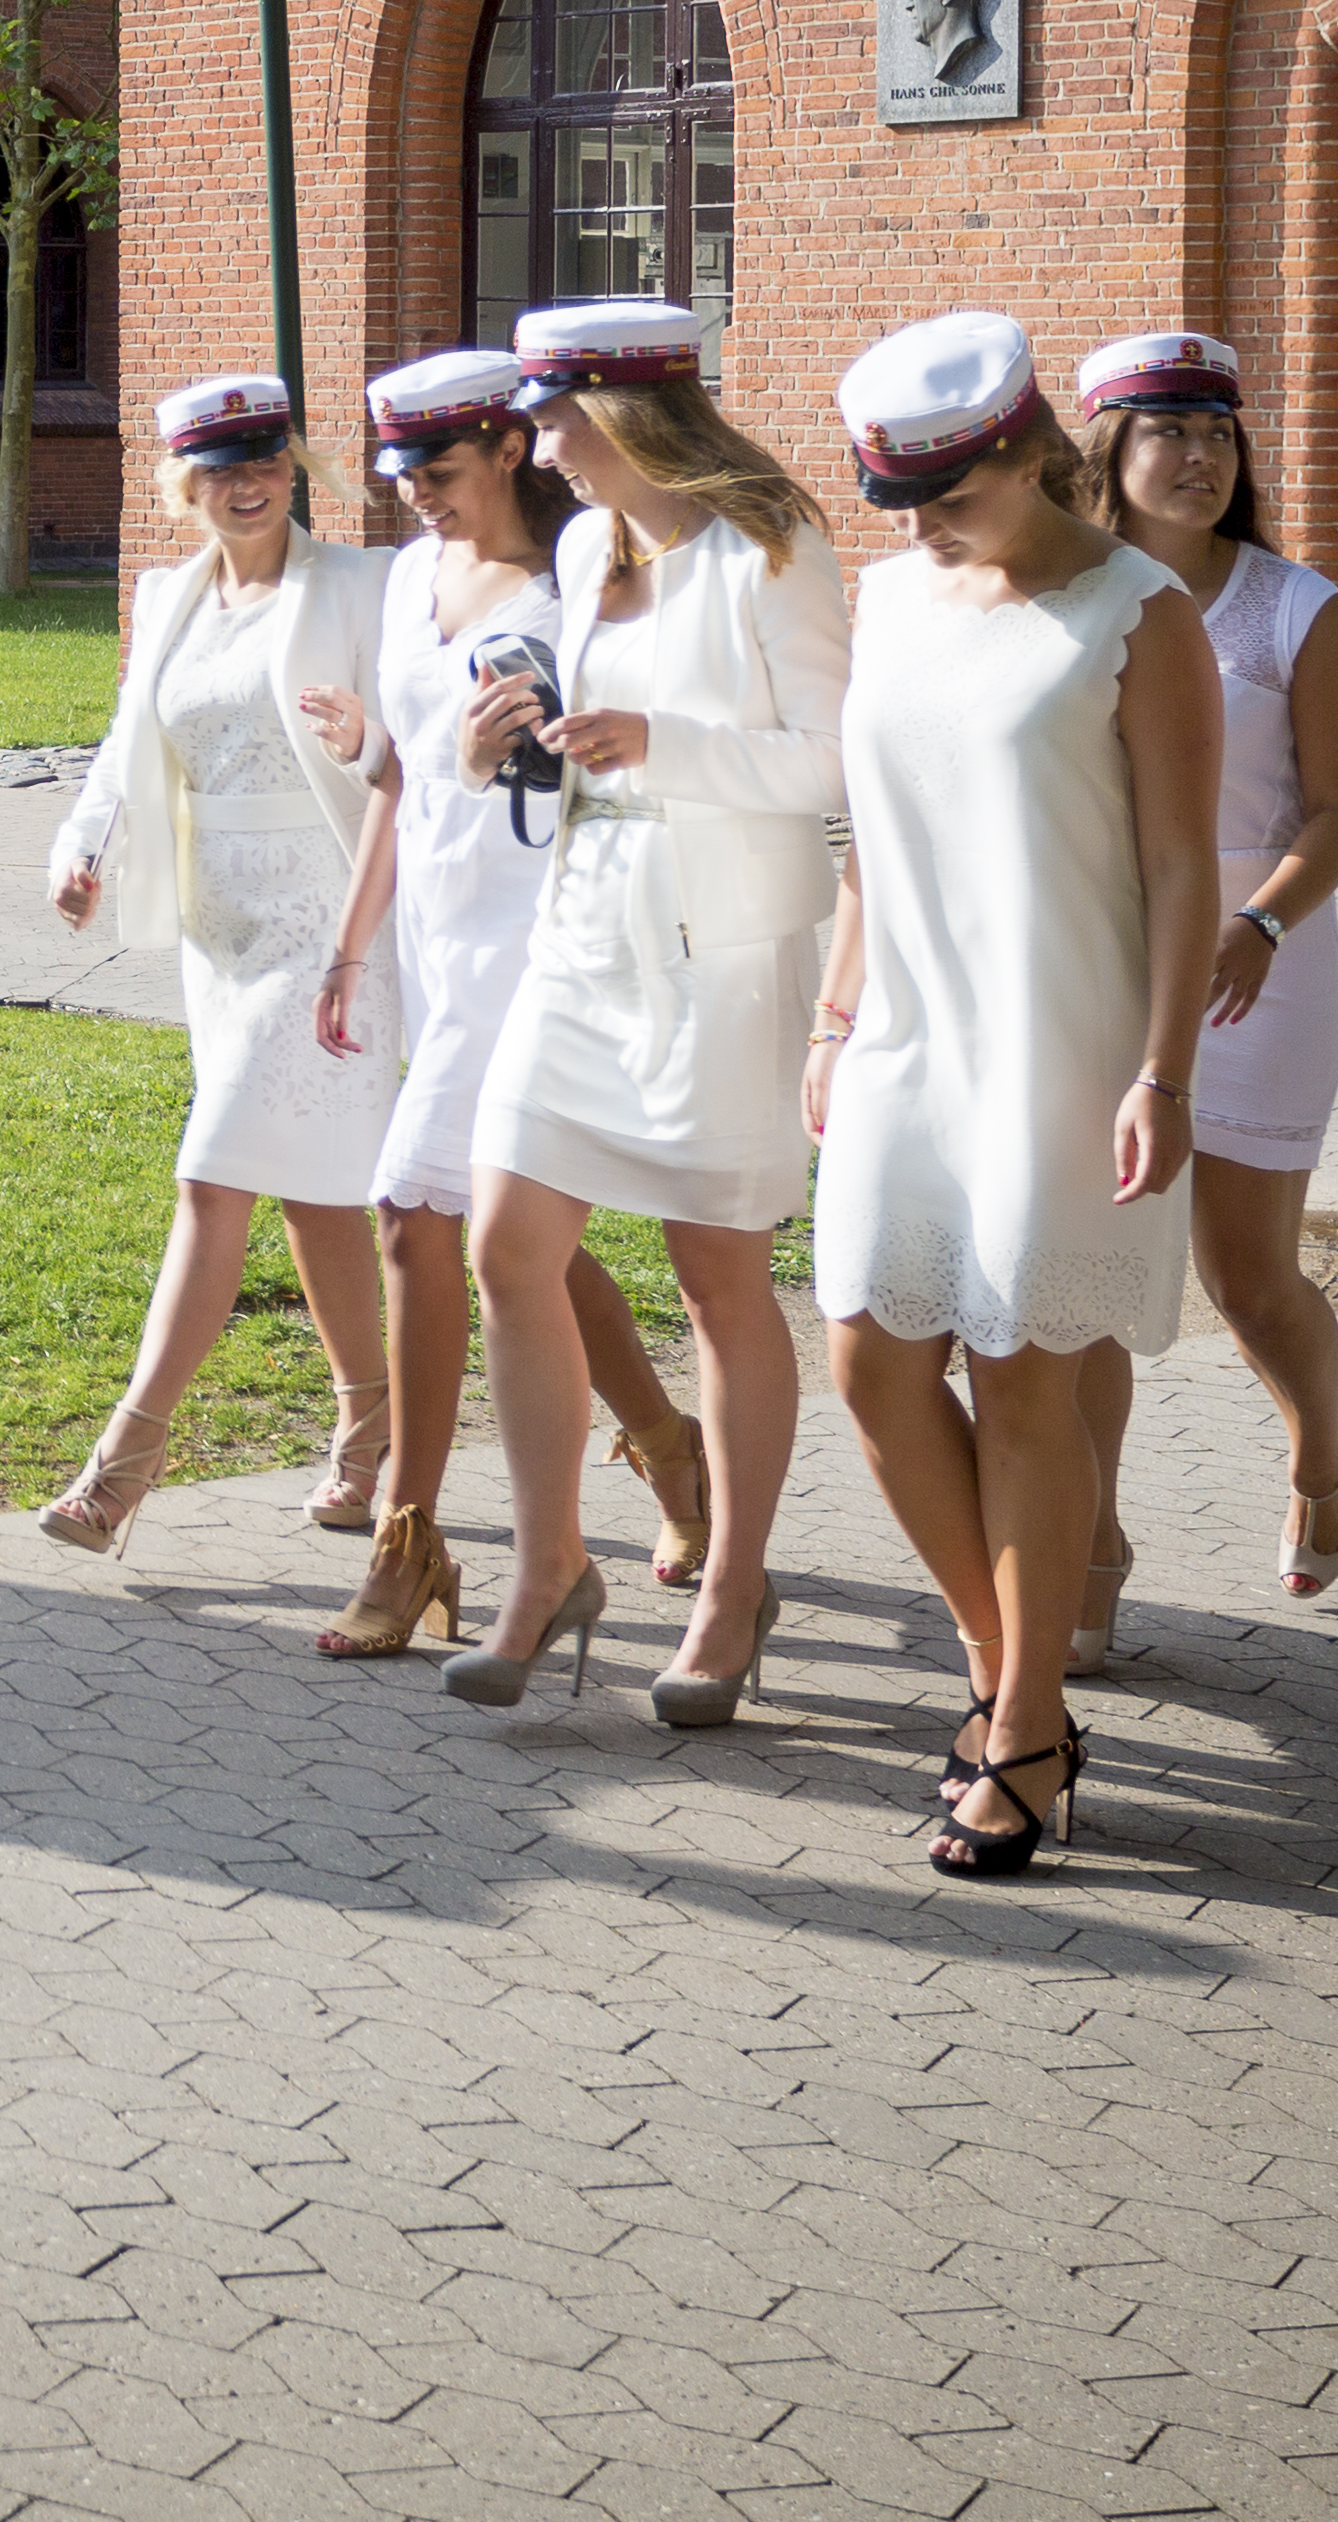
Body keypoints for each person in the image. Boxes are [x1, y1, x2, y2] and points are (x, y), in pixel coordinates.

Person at [806, 314, 1222, 1876]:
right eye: (894, 497)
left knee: (1021, 1373)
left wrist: (1165, 1068)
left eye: (945, 495)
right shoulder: (889, 595)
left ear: (1025, 449)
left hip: (1067, 1041)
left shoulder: (1140, 613)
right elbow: (868, 833)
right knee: (867, 1360)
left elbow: (1187, 866)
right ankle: (1014, 1685)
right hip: (905, 1039)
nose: (915, 525)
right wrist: (832, 1024)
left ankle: (1027, 1726)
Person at [443, 301, 847, 1725]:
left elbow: (830, 762)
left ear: (627, 413)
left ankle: (733, 1590)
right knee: (507, 1238)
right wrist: (496, 743)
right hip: (583, 927)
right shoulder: (579, 544)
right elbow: (577, 738)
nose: (535, 445)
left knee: (717, 1281)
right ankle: (550, 1565)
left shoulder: (773, 548)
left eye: (553, 418)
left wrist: (667, 748)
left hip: (722, 948)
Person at [309, 351, 708, 1661]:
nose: (416, 495)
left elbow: (653, 741)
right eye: (400, 474)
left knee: (419, 1222)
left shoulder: (591, 567)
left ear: (508, 449)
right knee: (511, 1233)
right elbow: (399, 777)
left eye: (438, 469)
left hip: (555, 942)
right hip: (447, 934)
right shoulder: (407, 579)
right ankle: (665, 1443)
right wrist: (353, 945)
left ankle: (412, 1545)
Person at [35, 375, 402, 1551]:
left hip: (330, 923)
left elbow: (420, 751)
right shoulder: (168, 595)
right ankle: (368, 1430)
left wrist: (371, 738)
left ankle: (122, 1464)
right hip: (220, 932)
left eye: (266, 463)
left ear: (296, 468)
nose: (247, 488)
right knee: (313, 1188)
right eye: (221, 470)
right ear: (182, 484)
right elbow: (126, 741)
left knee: (213, 1175)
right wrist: (82, 848)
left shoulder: (362, 585)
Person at [1068, 333, 1338, 1637]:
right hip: (1097, 959)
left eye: (1218, 437)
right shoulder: (1065, 597)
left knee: (1244, 1276)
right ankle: (1086, 1549)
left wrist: (1258, 919)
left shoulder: (1295, 610)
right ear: (1110, 454)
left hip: (1260, 967)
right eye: (1168, 435)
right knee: (1080, 1276)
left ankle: (1321, 1450)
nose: (1199, 460)